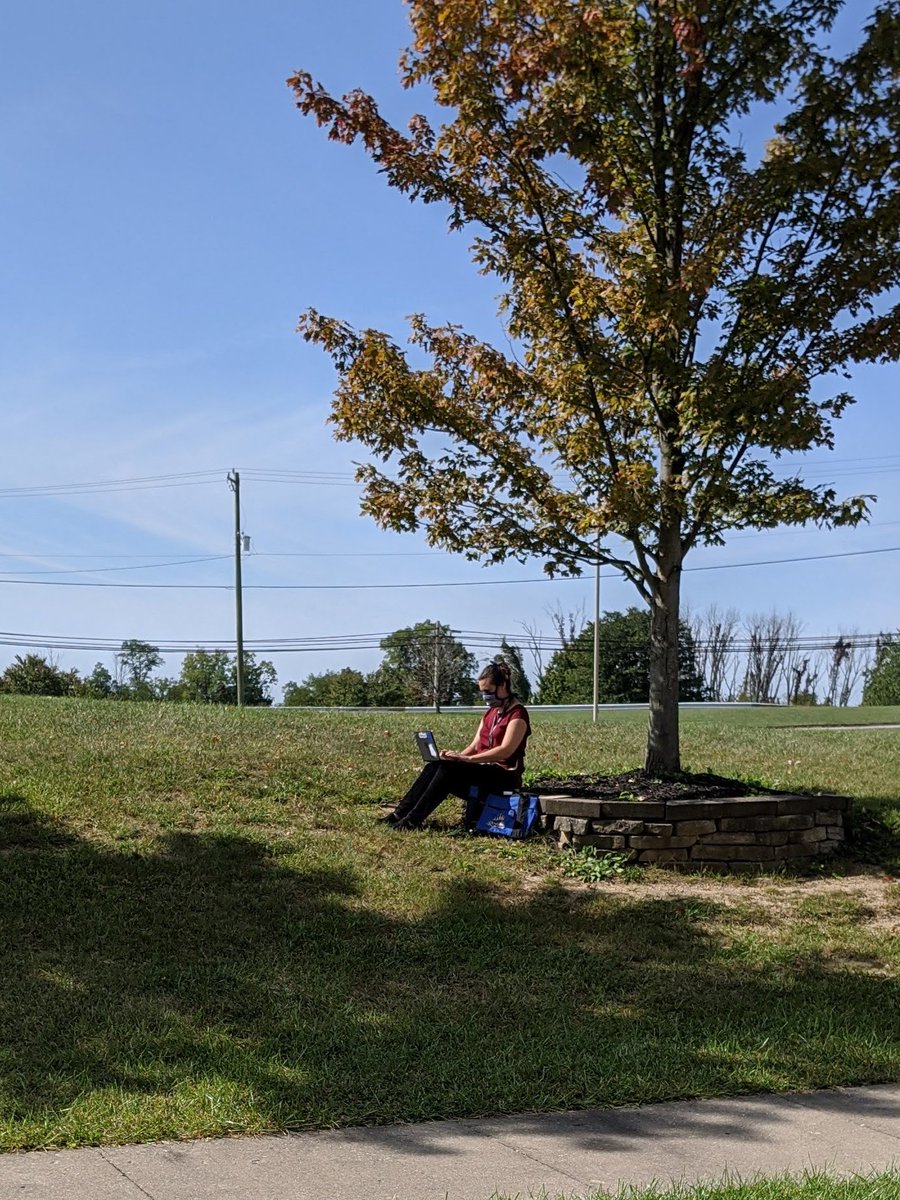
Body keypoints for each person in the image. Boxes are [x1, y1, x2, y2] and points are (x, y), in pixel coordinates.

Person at [381, 659, 531, 831]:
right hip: (482, 771)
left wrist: (468, 759)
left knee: (448, 771)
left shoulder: (518, 715)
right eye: (482, 692)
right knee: (437, 765)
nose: (485, 696)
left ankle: (411, 821)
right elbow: (475, 744)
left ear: (503, 685)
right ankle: (399, 814)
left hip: (503, 778)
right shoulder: (490, 713)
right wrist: (456, 757)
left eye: (488, 691)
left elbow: (505, 751)